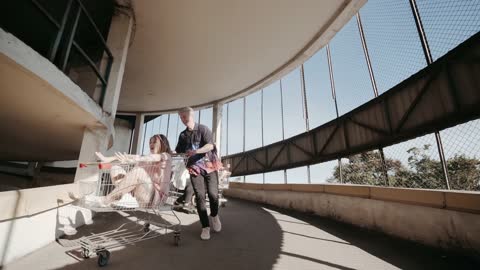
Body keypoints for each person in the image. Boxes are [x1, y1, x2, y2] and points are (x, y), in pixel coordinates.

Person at [176, 107, 222, 240]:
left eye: (185, 117)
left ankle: (214, 215)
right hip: (195, 168)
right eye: (181, 117)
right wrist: (170, 154)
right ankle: (205, 227)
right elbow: (179, 150)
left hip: (210, 166)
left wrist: (196, 152)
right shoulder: (183, 135)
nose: (183, 120)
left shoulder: (203, 129)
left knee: (213, 195)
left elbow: (210, 146)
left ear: (192, 116)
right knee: (200, 196)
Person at [92, 134, 172, 207]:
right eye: (150, 142)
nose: (151, 144)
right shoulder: (146, 158)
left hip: (155, 199)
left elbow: (153, 158)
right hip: (141, 193)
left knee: (139, 171)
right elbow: (128, 156)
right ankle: (121, 195)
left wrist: (133, 160)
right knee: (115, 168)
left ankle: (107, 199)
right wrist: (107, 159)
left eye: (154, 142)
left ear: (162, 144)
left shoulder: (166, 156)